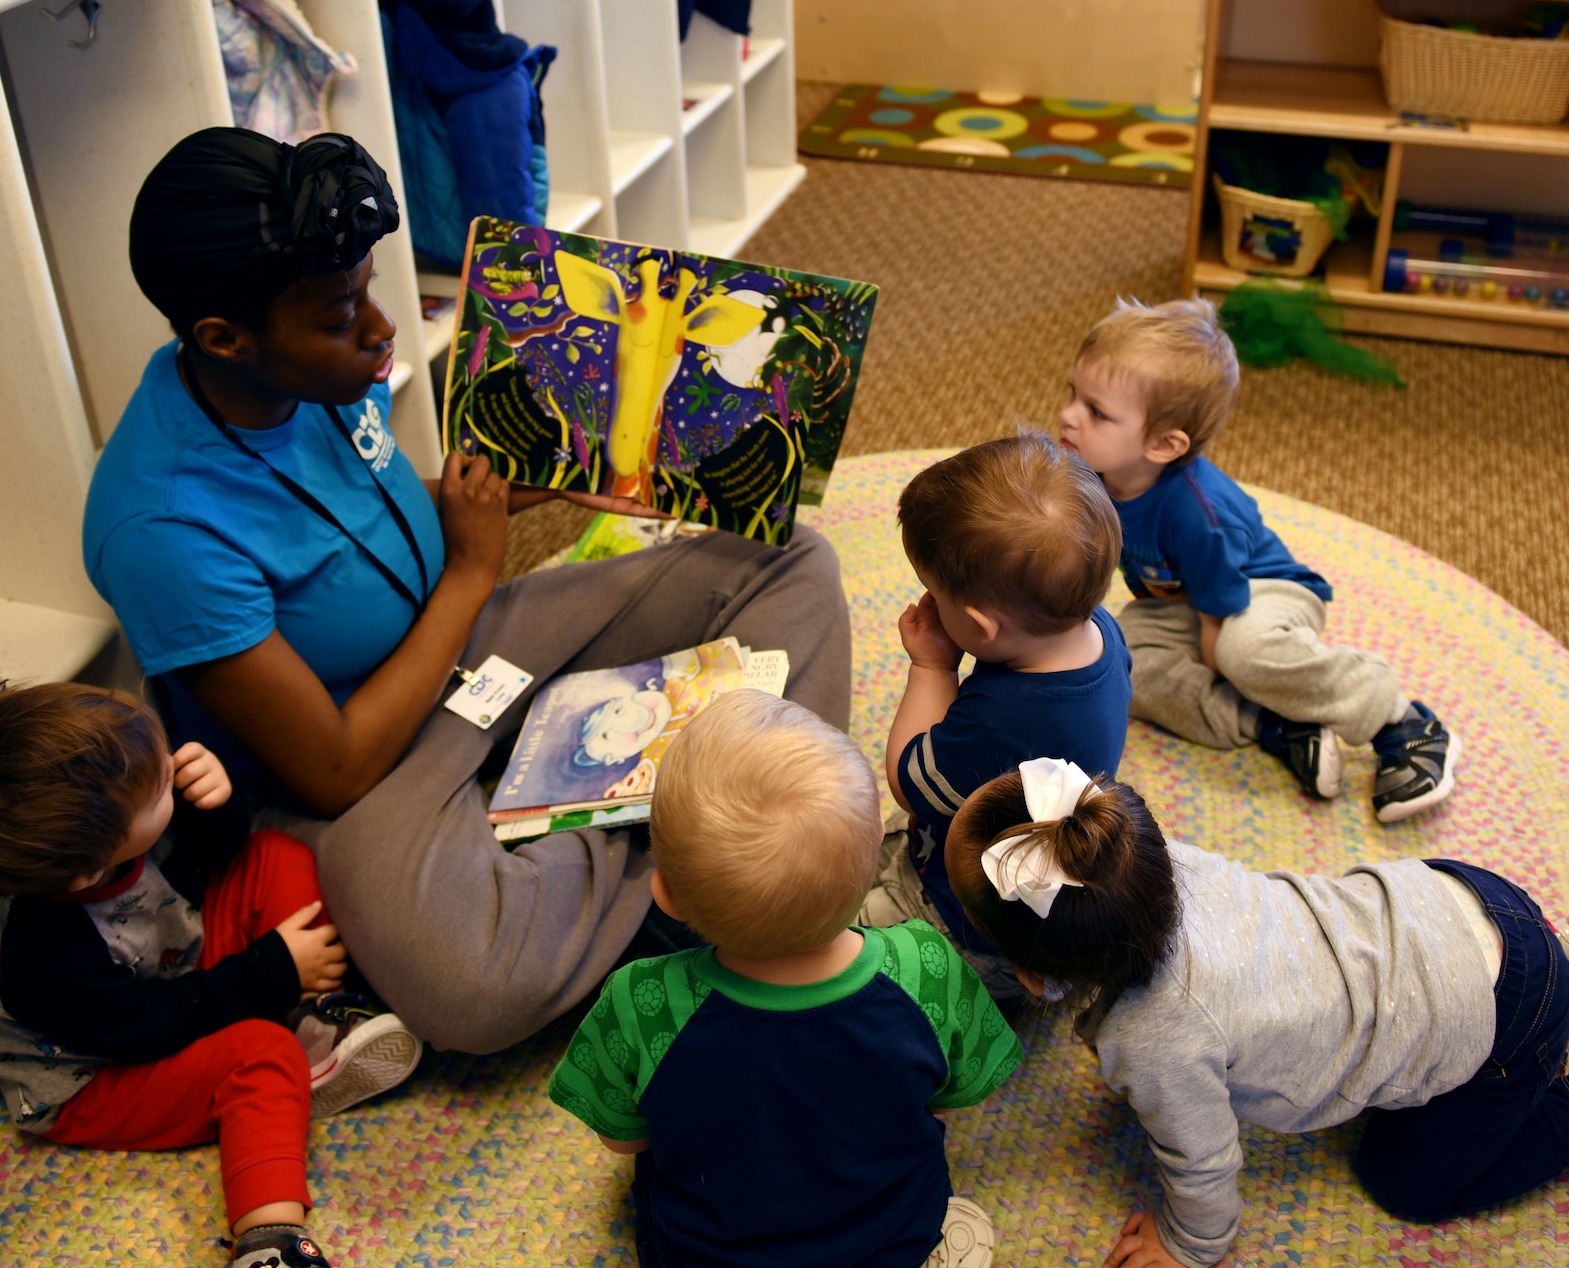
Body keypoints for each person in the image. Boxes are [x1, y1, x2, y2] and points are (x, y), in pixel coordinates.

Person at [85, 128, 851, 1054]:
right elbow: (333, 767)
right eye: (341, 315)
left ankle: (708, 845)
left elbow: (364, 513)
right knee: (472, 987)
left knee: (788, 560)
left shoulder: (301, 375)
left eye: (369, 290)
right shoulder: (160, 528)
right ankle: (710, 858)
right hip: (362, 771)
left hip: (466, 646)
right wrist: (472, 566)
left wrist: (495, 494)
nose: (381, 330)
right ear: (223, 338)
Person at [940, 758, 1569, 1268]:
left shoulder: (1153, 1038)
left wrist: (1190, 1244)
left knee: (1408, 1185)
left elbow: (1204, 1160)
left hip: (1501, 1015)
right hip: (1462, 897)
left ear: (1034, 976)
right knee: (1503, 950)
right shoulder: (1148, 866)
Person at [0, 681, 422, 1268]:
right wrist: (272, 969)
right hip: (97, 1075)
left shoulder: (102, 834)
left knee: (275, 854)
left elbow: (206, 861)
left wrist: (217, 802)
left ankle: (314, 1015)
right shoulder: (46, 960)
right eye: (162, 788)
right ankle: (270, 1240)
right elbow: (152, 1028)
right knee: (261, 1054)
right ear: (90, 870)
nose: (172, 769)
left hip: (163, 960)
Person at [549, 690, 1023, 1268]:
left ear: (666, 896)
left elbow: (623, 1139)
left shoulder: (639, 1001)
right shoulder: (926, 967)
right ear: (877, 842)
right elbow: (958, 1094)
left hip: (701, 1254)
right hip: (889, 1239)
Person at [1057, 297, 1456, 822]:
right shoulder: (1094, 472)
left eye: (1097, 412)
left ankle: (1399, 719)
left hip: (1264, 591)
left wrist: (1221, 656)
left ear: (1162, 444)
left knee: (1241, 653)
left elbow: (1221, 609)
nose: (1067, 415)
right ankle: (1282, 723)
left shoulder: (1198, 512)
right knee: (1117, 663)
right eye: (1073, 396)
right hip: (1183, 602)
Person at [878, 434, 1131, 997]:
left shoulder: (1002, 721)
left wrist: (933, 670)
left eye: (933, 595)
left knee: (836, 940)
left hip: (969, 921)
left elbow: (909, 779)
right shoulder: (1100, 632)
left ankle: (976, 996)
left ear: (982, 626)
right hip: (1038, 875)